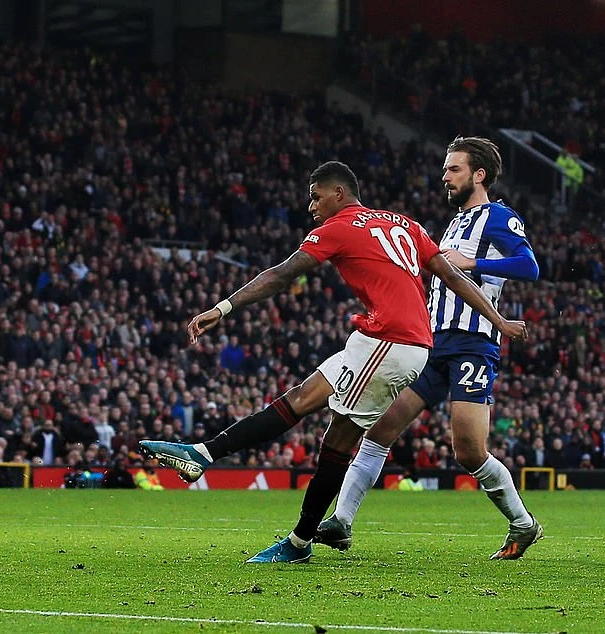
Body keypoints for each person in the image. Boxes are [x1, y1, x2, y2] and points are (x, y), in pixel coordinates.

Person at [140, 161, 526, 563]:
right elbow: (454, 277)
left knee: (338, 439)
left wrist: (223, 307)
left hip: (391, 341)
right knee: (301, 398)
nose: (312, 206)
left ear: (339, 193)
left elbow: (281, 274)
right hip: (381, 339)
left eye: (316, 196)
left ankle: (298, 542)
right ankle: (204, 454)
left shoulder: (339, 228)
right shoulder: (404, 224)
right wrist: (498, 320)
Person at [317, 137, 543, 561]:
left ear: (479, 175)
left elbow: (529, 266)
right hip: (432, 343)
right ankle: (341, 521)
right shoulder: (455, 223)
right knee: (381, 427)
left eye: (454, 169)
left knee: (468, 451)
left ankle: (523, 523)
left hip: (473, 344)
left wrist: (473, 263)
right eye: (445, 169)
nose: (445, 176)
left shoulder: (498, 217)